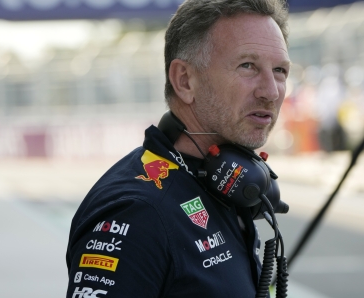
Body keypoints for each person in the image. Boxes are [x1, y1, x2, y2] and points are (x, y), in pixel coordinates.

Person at [65, 0, 290, 297]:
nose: (270, 91)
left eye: (279, 70)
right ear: (185, 80)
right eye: (247, 66)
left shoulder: (220, 182)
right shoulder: (136, 212)